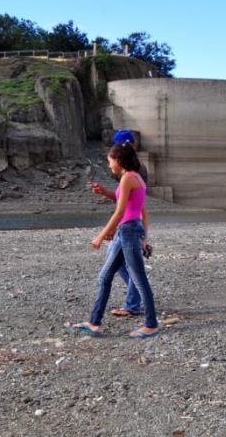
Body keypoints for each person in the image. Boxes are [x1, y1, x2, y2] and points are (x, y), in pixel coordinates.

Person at [72, 144, 158, 339]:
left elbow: (120, 211)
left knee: (139, 279)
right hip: (126, 230)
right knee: (105, 277)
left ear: (119, 160)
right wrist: (105, 192)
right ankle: (94, 323)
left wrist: (101, 235)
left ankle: (151, 325)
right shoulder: (135, 178)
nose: (109, 165)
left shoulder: (128, 178)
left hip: (127, 232)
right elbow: (132, 207)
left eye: (110, 161)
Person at [89, 129, 149, 318]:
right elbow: (125, 201)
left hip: (129, 227)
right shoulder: (129, 173)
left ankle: (137, 307)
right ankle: (136, 303)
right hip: (128, 226)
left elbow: (135, 207)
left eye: (119, 145)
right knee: (123, 268)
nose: (114, 149)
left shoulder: (133, 173)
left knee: (126, 270)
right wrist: (105, 192)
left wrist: (105, 232)